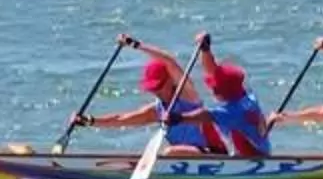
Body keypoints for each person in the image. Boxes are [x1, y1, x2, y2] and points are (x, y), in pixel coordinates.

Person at [72, 34, 224, 153]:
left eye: (159, 86)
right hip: (185, 157)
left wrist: (137, 45)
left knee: (170, 152)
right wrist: (89, 121)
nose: (156, 92)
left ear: (170, 81)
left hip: (212, 154)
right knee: (165, 153)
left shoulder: (188, 97)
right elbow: (121, 119)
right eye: (152, 88)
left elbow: (169, 61)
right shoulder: (157, 111)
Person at [194, 37, 273, 157]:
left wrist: (177, 118)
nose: (211, 90)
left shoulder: (229, 112)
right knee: (207, 125)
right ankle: (219, 153)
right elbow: (213, 69)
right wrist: (206, 50)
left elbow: (204, 114)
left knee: (209, 123)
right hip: (261, 148)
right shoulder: (250, 97)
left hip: (253, 157)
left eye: (214, 88)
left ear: (221, 92)